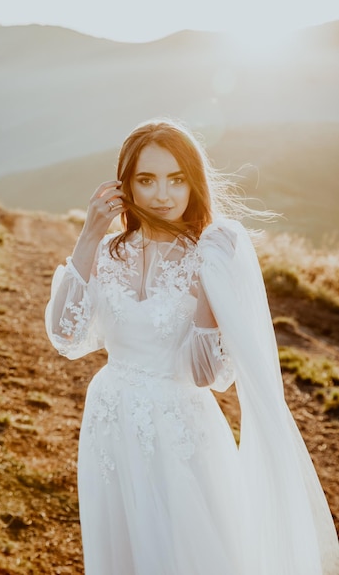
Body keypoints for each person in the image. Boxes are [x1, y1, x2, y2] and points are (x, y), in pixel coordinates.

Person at [45, 119, 339, 575]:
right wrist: (87, 237)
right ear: (125, 185)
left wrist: (209, 285)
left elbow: (206, 374)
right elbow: (65, 336)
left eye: (176, 178)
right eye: (146, 179)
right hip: (109, 420)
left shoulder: (212, 250)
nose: (162, 193)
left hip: (180, 429)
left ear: (193, 182)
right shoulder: (105, 253)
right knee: (124, 547)